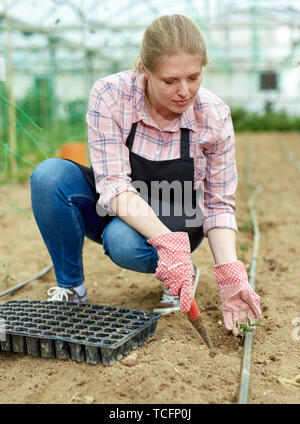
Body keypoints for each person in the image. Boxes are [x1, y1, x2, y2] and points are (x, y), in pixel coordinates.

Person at [30, 14, 261, 336]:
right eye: (170, 81)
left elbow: (218, 203)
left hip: (176, 213)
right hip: (118, 200)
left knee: (124, 244)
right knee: (49, 176)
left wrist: (230, 272)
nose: (184, 91)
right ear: (145, 70)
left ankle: (181, 267)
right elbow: (112, 183)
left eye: (194, 77)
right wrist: (164, 243)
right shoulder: (111, 94)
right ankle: (73, 291)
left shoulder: (213, 116)